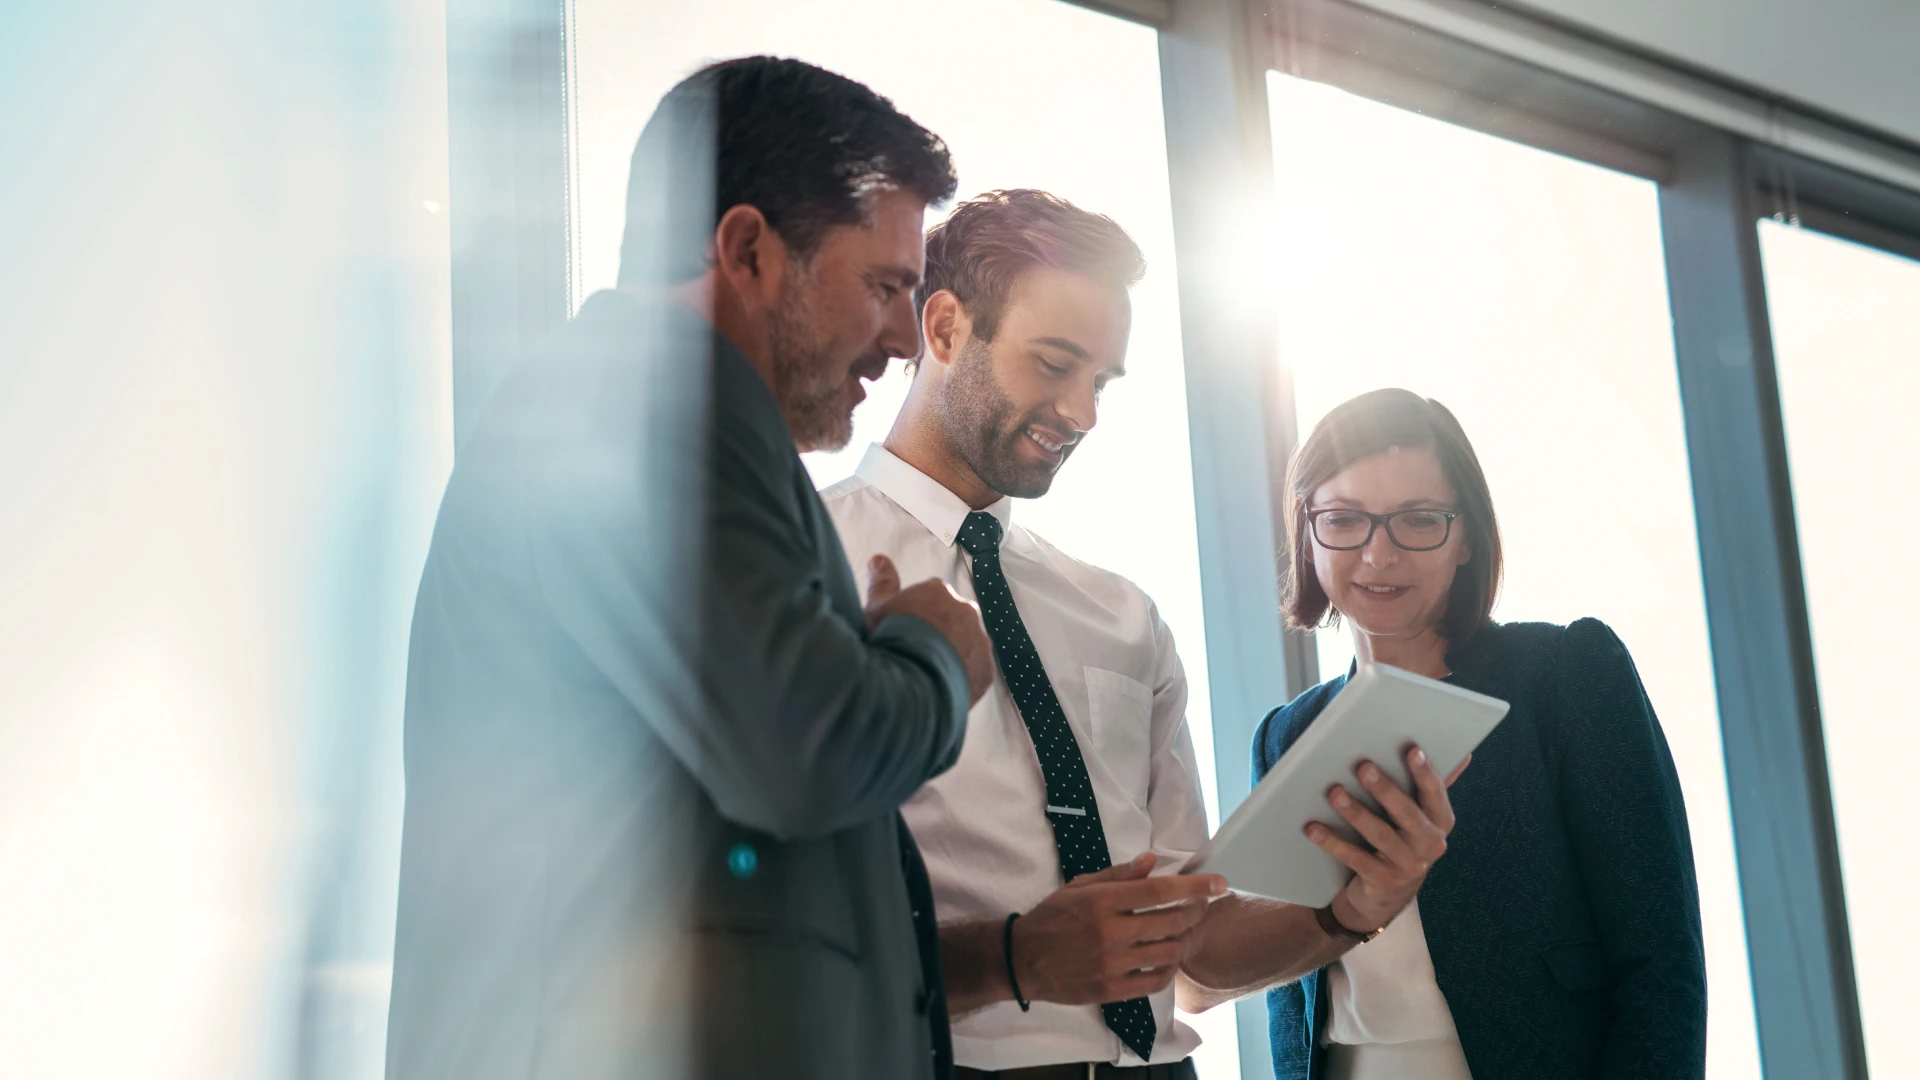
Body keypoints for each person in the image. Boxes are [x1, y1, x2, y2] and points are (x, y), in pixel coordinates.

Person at [385, 57, 996, 1080]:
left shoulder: (658, 415)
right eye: (885, 286)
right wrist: (933, 652)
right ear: (747, 249)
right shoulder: (639, 402)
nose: (903, 339)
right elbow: (805, 746)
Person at [822, 190, 1461, 1080]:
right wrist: (1013, 955)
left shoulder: (1121, 616)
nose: (1082, 414)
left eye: (1102, 382)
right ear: (942, 327)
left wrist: (1351, 911)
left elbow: (1192, 955)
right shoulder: (807, 571)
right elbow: (769, 932)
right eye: (1054, 364)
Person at [1249, 388, 1708, 1080]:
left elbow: (1661, 968)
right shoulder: (1287, 736)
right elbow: (1289, 989)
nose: (1379, 554)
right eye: (1345, 519)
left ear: (1465, 536)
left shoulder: (1564, 675)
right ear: (1307, 531)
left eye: (1418, 520)